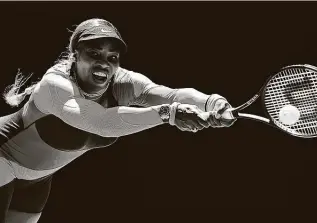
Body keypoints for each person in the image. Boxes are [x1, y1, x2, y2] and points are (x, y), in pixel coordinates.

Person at [0, 18, 236, 223]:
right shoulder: (55, 85)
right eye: (94, 53)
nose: (104, 62)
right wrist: (168, 114)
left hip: (37, 180)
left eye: (112, 57)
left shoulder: (123, 83)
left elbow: (171, 94)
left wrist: (211, 102)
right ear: (74, 55)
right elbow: (100, 122)